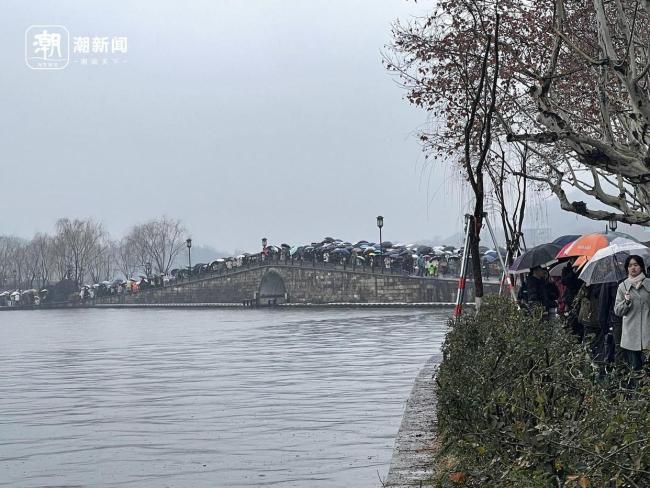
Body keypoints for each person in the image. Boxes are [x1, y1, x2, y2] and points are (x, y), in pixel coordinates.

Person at [614, 255, 650, 371]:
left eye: (636, 265)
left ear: (641, 267)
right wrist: (626, 302)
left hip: (647, 331)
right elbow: (618, 311)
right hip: (631, 334)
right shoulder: (622, 287)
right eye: (630, 266)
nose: (633, 268)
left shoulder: (648, 284)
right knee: (636, 369)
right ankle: (636, 389)